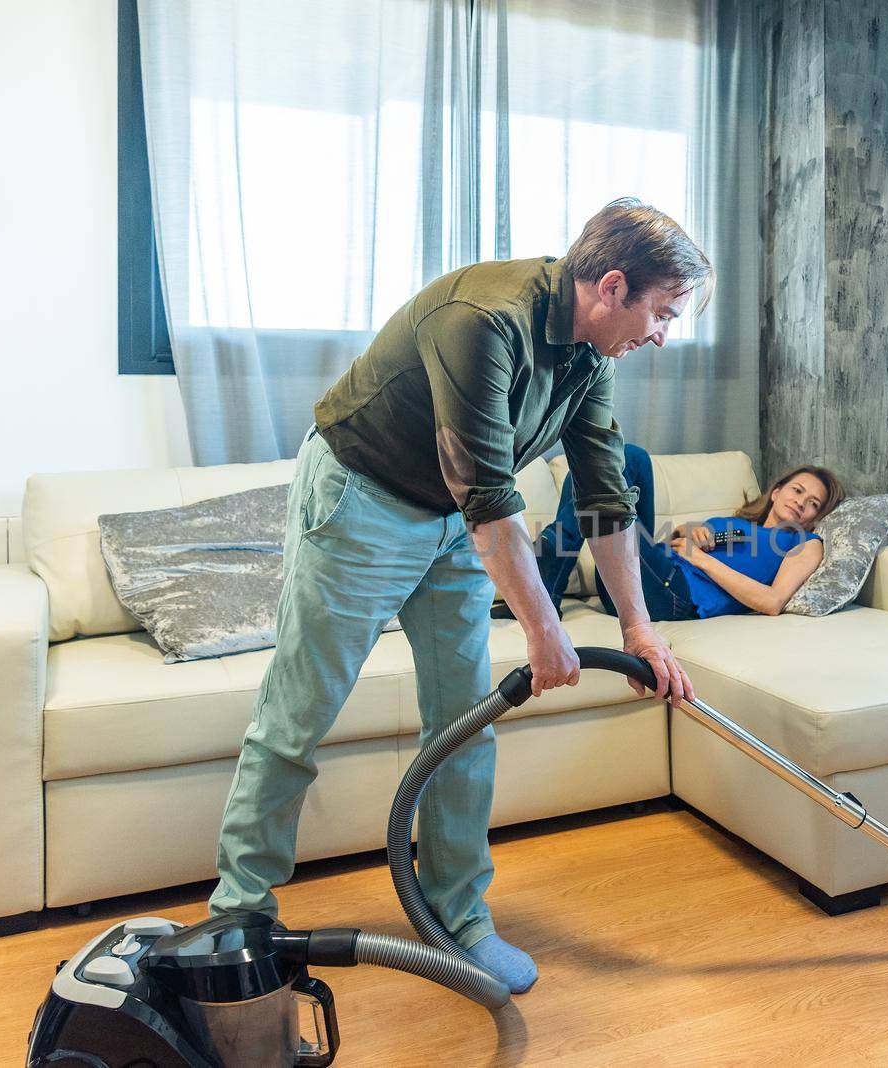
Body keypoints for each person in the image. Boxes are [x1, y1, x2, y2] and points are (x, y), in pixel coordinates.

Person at [208, 199, 709, 996]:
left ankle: (456, 917)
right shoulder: (482, 318)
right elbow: (491, 499)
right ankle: (238, 912)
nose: (662, 335)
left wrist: (640, 631)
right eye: (661, 313)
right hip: (364, 500)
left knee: (465, 722)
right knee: (299, 715)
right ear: (613, 286)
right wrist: (546, 632)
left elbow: (605, 497)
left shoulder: (589, 358)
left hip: (456, 520)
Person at [521, 444, 845, 621]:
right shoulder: (738, 524)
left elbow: (772, 601)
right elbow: (672, 546)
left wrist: (701, 561)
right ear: (776, 491)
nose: (801, 502)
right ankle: (549, 580)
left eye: (813, 502)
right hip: (645, 577)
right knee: (629, 457)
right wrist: (688, 533)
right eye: (798, 490)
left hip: (675, 596)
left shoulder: (805, 543)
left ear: (817, 515)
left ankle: (549, 576)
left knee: (603, 500)